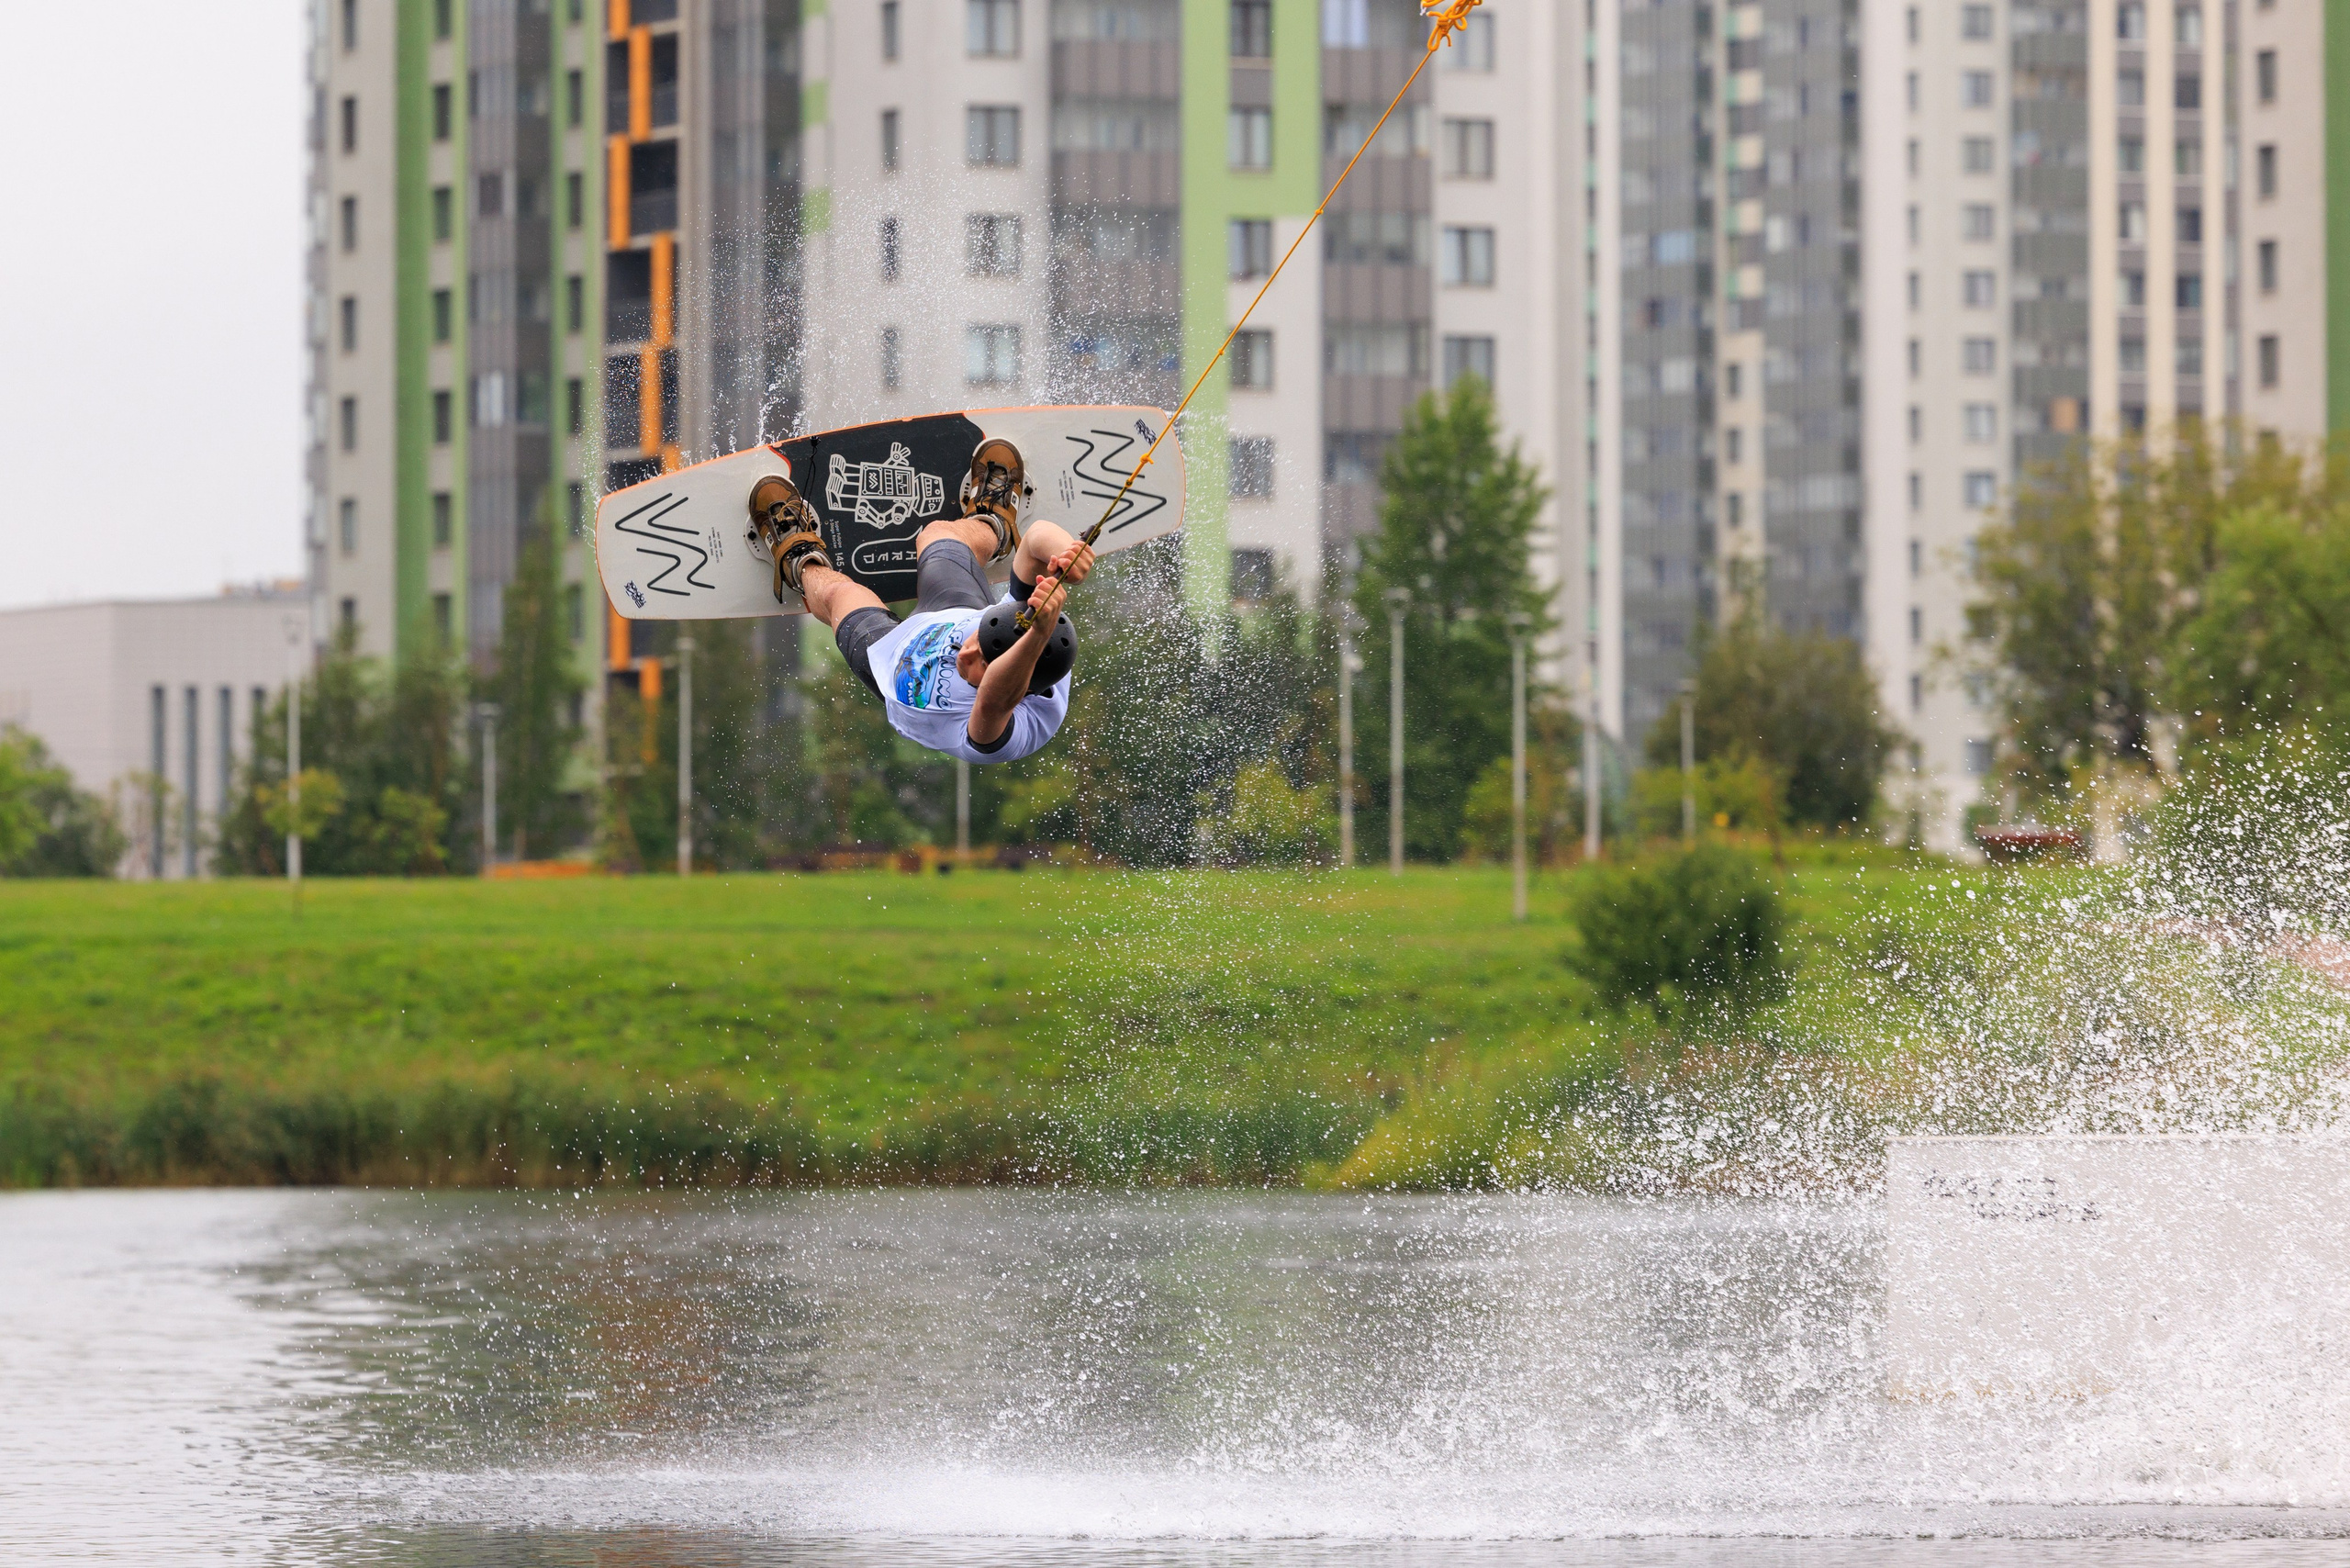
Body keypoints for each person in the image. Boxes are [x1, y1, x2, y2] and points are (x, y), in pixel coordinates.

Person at [748, 440, 1091, 765]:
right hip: (949, 616)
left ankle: (798, 560)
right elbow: (1035, 539)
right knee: (936, 534)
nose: (965, 652)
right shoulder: (1020, 621)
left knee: (841, 597)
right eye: (977, 642)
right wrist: (1066, 555)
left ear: (1020, 690)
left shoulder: (1020, 728)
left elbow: (994, 699)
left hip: (897, 672)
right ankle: (993, 522)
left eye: (980, 663)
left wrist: (1035, 637)